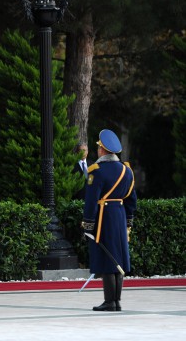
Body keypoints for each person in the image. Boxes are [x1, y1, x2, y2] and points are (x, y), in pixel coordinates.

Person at [82, 129, 137, 311]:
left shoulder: (96, 171)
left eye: (98, 147)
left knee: (107, 258)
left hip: (103, 217)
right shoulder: (127, 171)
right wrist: (128, 220)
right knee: (118, 258)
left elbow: (91, 201)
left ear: (102, 150)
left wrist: (88, 223)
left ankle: (109, 302)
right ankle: (116, 301)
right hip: (120, 216)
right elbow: (131, 199)